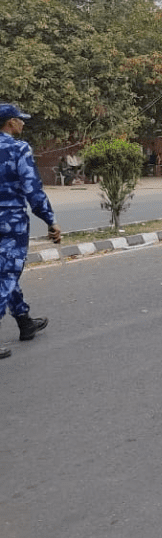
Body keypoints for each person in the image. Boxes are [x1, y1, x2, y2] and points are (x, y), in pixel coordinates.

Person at [0, 103, 61, 358]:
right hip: (10, 223)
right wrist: (50, 220)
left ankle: (24, 321)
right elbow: (33, 190)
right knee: (7, 275)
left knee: (5, 271)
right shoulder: (18, 148)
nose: (23, 124)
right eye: (20, 120)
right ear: (10, 123)